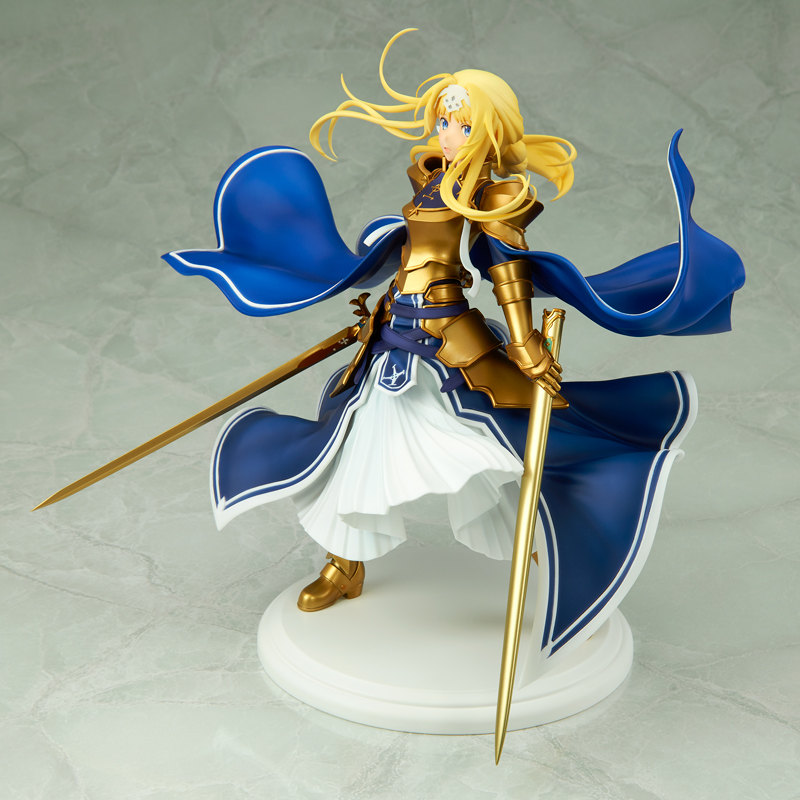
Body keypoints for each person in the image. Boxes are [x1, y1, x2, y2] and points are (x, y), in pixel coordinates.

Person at [163, 30, 744, 669]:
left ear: (489, 131)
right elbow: (407, 257)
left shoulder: (495, 198)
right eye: (444, 119)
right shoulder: (428, 181)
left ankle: (547, 554)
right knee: (353, 447)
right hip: (393, 337)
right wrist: (375, 312)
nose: (448, 132)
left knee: (497, 456)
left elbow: (508, 274)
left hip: (448, 349)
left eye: (463, 123)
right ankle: (344, 564)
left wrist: (525, 345)